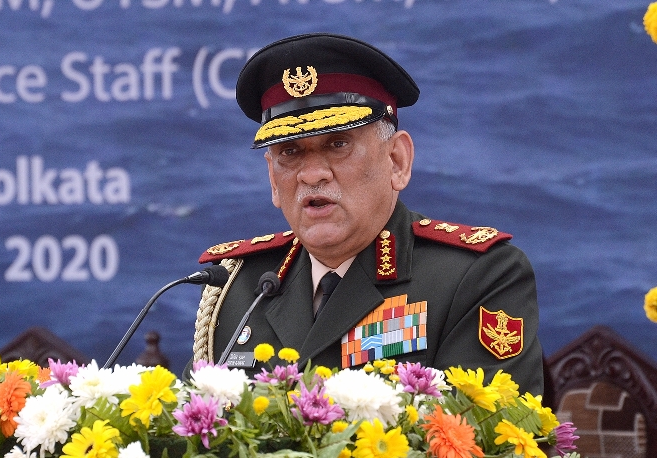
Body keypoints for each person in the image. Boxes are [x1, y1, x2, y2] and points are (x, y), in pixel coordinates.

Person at [186, 33, 544, 395]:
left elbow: (483, 425)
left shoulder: (476, 277)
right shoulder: (235, 287)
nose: (312, 174)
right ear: (273, 180)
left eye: (338, 144)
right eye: (290, 152)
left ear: (397, 161)